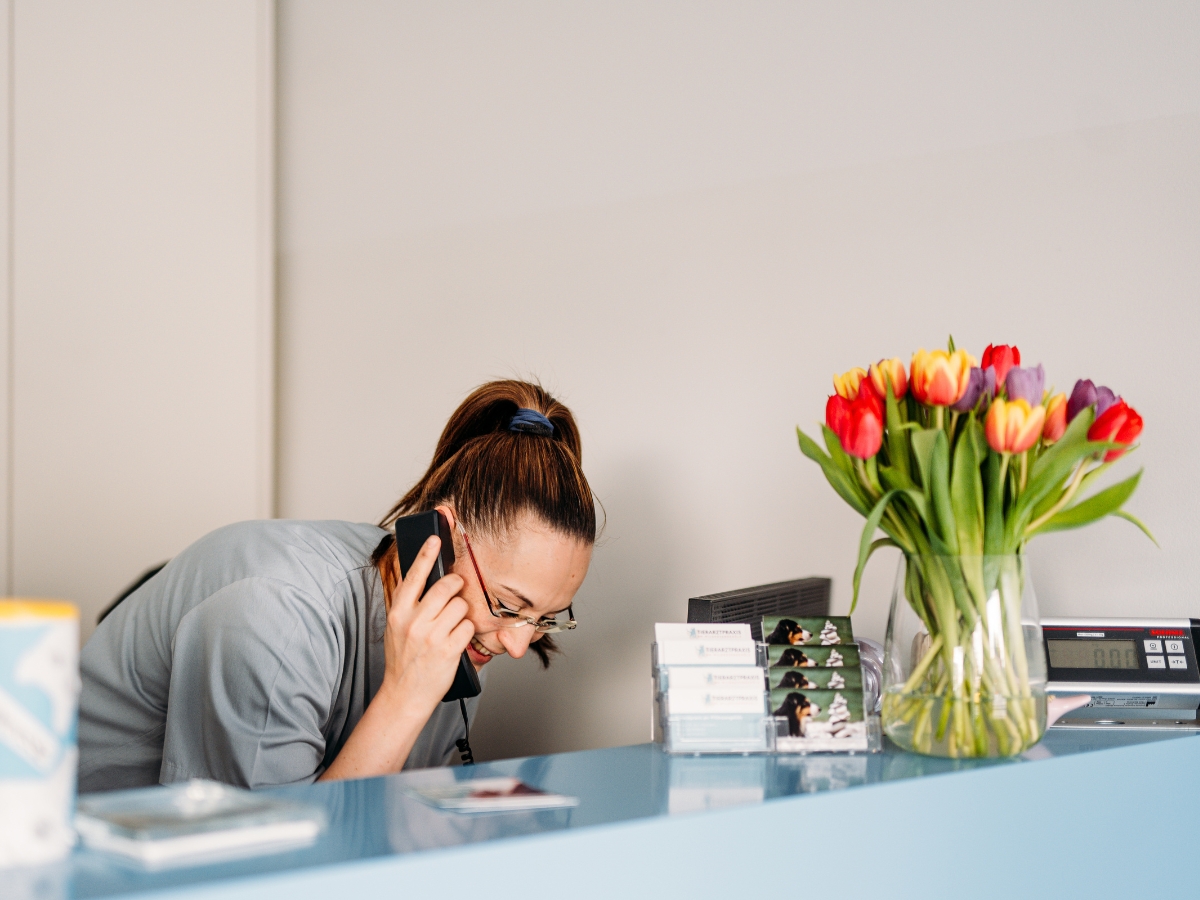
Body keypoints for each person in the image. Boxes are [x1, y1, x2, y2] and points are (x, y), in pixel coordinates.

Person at [77, 380, 596, 792]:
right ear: (438, 539)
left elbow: (386, 821)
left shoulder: (455, 635)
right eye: (509, 605)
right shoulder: (273, 612)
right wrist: (407, 697)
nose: (518, 644)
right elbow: (264, 866)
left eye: (545, 618)